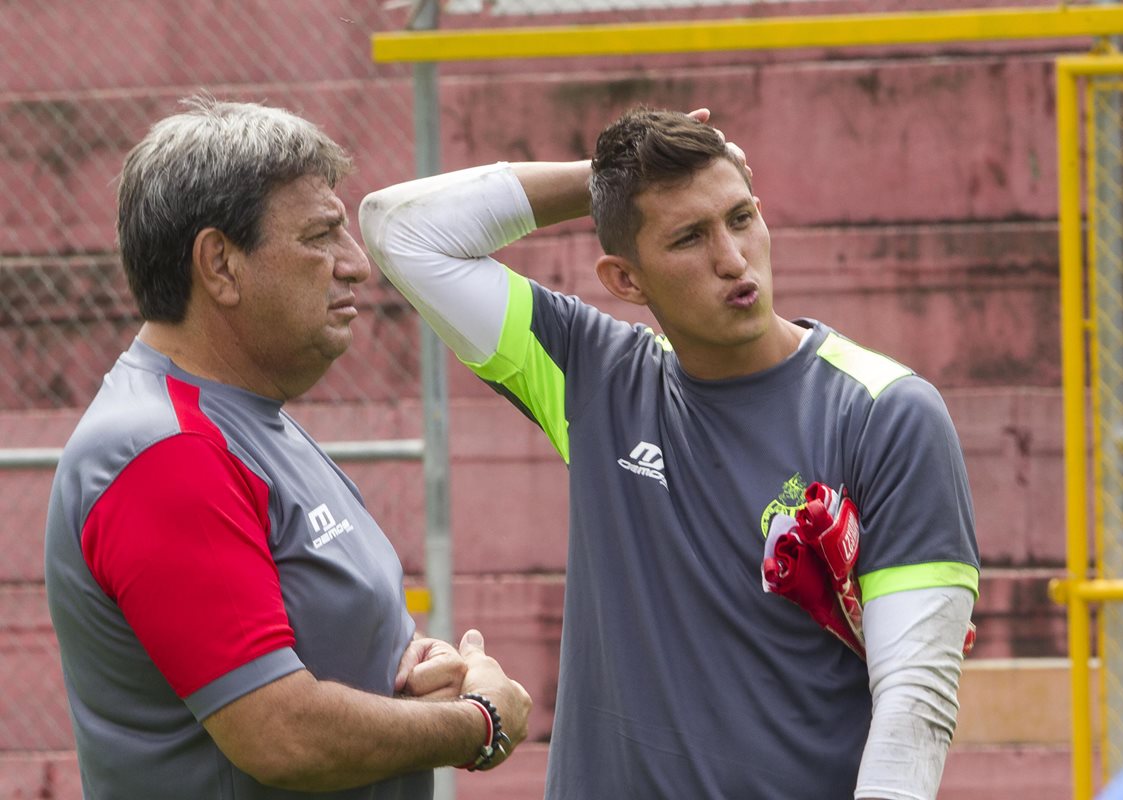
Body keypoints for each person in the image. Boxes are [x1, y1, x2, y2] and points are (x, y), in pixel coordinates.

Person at [358, 106, 980, 799]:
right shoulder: (594, 378)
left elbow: (914, 700)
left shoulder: (887, 410)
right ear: (626, 280)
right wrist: (601, 182)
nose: (733, 259)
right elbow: (398, 229)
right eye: (689, 238)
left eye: (741, 219)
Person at [43, 95, 530, 799]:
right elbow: (281, 732)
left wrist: (421, 666)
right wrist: (479, 723)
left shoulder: (246, 416)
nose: (356, 264)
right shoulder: (165, 450)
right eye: (321, 236)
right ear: (220, 265)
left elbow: (329, 637)